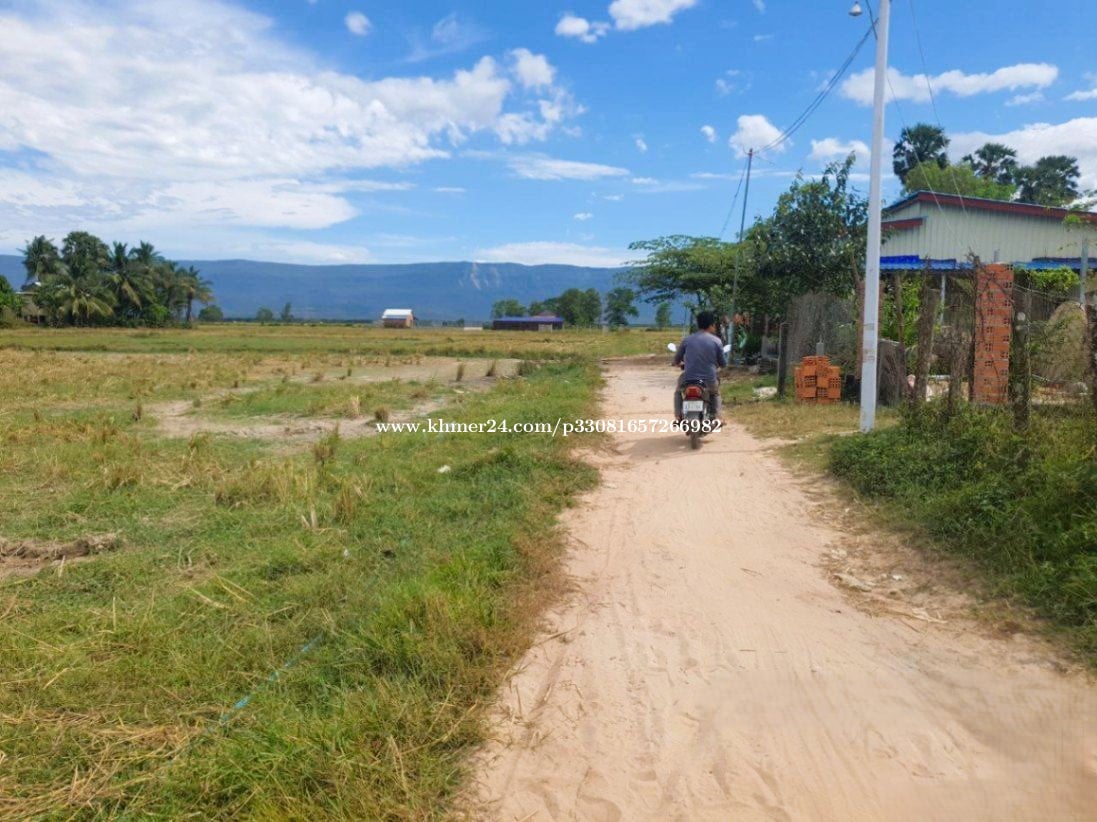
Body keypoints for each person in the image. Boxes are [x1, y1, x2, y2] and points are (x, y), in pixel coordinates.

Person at [673, 310, 727, 423]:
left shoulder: (687, 340)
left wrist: (679, 364)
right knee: (715, 393)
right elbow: (723, 363)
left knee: (678, 392)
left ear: (698, 324)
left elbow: (676, 360)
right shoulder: (716, 341)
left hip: (688, 379)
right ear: (711, 325)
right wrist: (719, 366)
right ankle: (717, 416)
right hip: (709, 379)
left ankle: (678, 415)